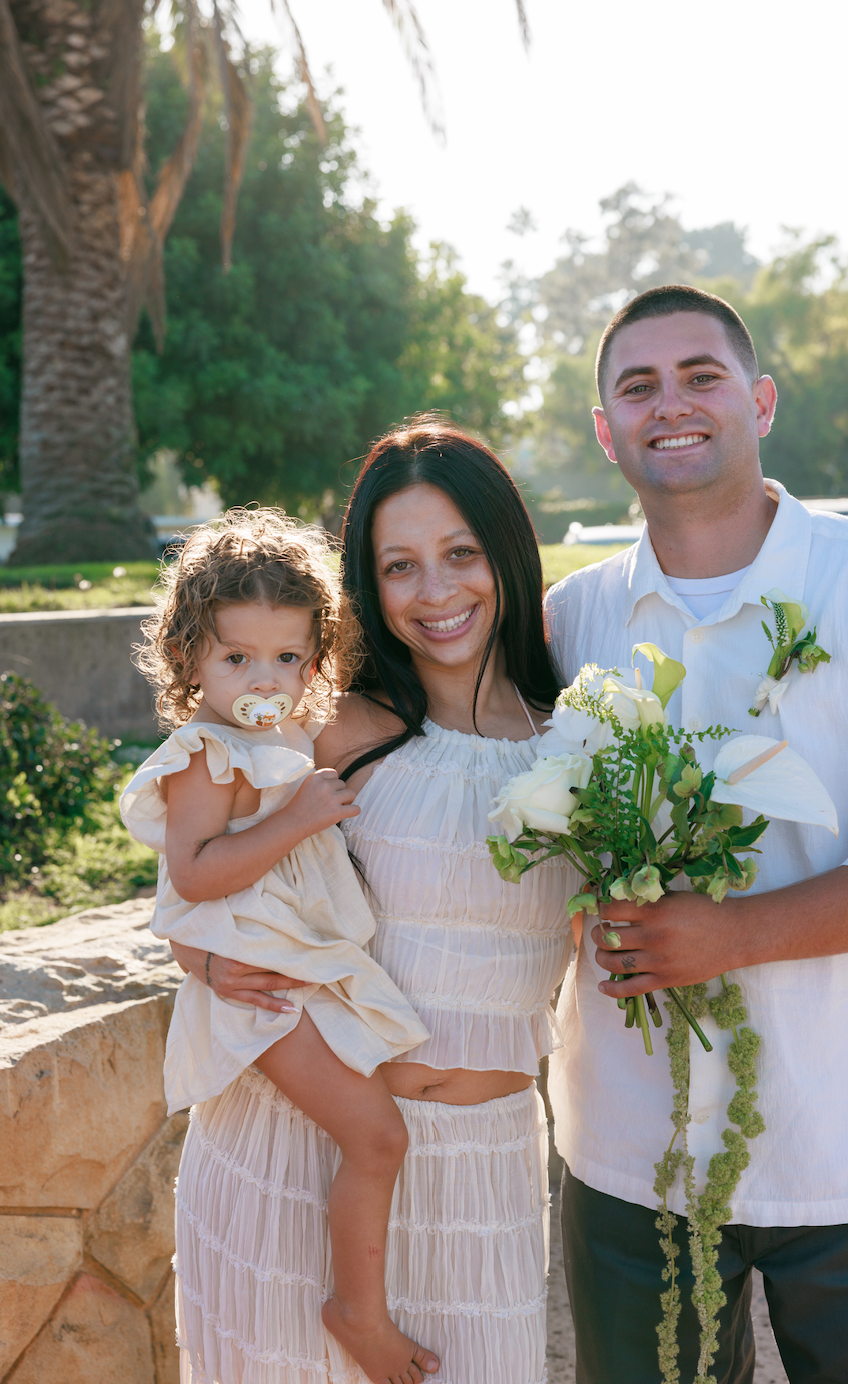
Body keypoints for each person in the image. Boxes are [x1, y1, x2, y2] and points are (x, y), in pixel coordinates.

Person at [545, 283, 848, 1383]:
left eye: (699, 375)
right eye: (636, 385)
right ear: (603, 427)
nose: (669, 402)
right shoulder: (571, 619)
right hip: (632, 1156)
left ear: (758, 400)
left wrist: (731, 935)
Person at [172, 419, 581, 1384]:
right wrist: (202, 960)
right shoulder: (326, 731)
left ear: (506, 555)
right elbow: (198, 867)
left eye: (461, 554)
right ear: (368, 583)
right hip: (297, 1155)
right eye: (400, 566)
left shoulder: (581, 743)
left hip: (483, 1171)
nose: (436, 592)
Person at [121, 508, 439, 1384]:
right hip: (262, 989)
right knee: (376, 1138)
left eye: (288, 659)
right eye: (236, 658)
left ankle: (353, 1297)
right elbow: (192, 874)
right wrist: (298, 818)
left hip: (286, 972)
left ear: (315, 657)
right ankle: (356, 1312)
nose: (265, 677)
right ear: (189, 656)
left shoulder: (281, 738)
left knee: (377, 1119)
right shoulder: (204, 756)